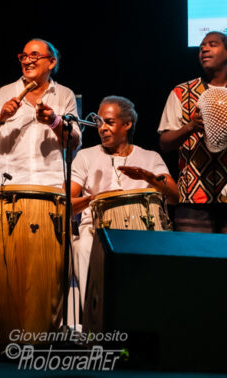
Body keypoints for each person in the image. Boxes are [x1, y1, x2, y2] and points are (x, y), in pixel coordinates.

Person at [0, 38, 81, 341]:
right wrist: (0, 118)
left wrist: (55, 121)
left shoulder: (65, 95)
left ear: (52, 62)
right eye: (24, 55)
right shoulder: (4, 93)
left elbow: (73, 142)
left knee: (48, 265)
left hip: (48, 188)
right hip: (8, 188)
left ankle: (48, 329)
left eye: (35, 55)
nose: (28, 60)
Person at [158, 31, 227, 234]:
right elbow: (165, 143)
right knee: (196, 264)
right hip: (194, 200)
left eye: (212, 44)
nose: (204, 49)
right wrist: (190, 127)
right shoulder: (182, 93)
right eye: (201, 46)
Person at [70, 96, 178, 309]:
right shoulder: (85, 156)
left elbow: (174, 197)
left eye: (109, 122)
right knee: (83, 247)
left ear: (127, 124)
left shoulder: (150, 158)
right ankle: (94, 319)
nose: (102, 129)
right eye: (99, 123)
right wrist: (94, 198)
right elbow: (67, 203)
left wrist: (148, 177)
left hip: (141, 234)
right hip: (95, 233)